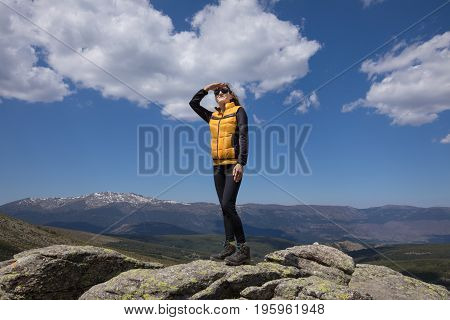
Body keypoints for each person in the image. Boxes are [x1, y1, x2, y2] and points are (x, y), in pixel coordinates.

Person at [189, 82, 250, 266]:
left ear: (231, 95)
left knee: (228, 204)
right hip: (217, 166)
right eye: (217, 92)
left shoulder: (239, 111)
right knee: (224, 208)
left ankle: (243, 249)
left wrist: (241, 162)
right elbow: (193, 104)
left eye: (224, 91)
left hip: (233, 164)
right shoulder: (212, 116)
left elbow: (244, 137)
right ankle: (228, 246)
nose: (219, 93)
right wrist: (207, 88)